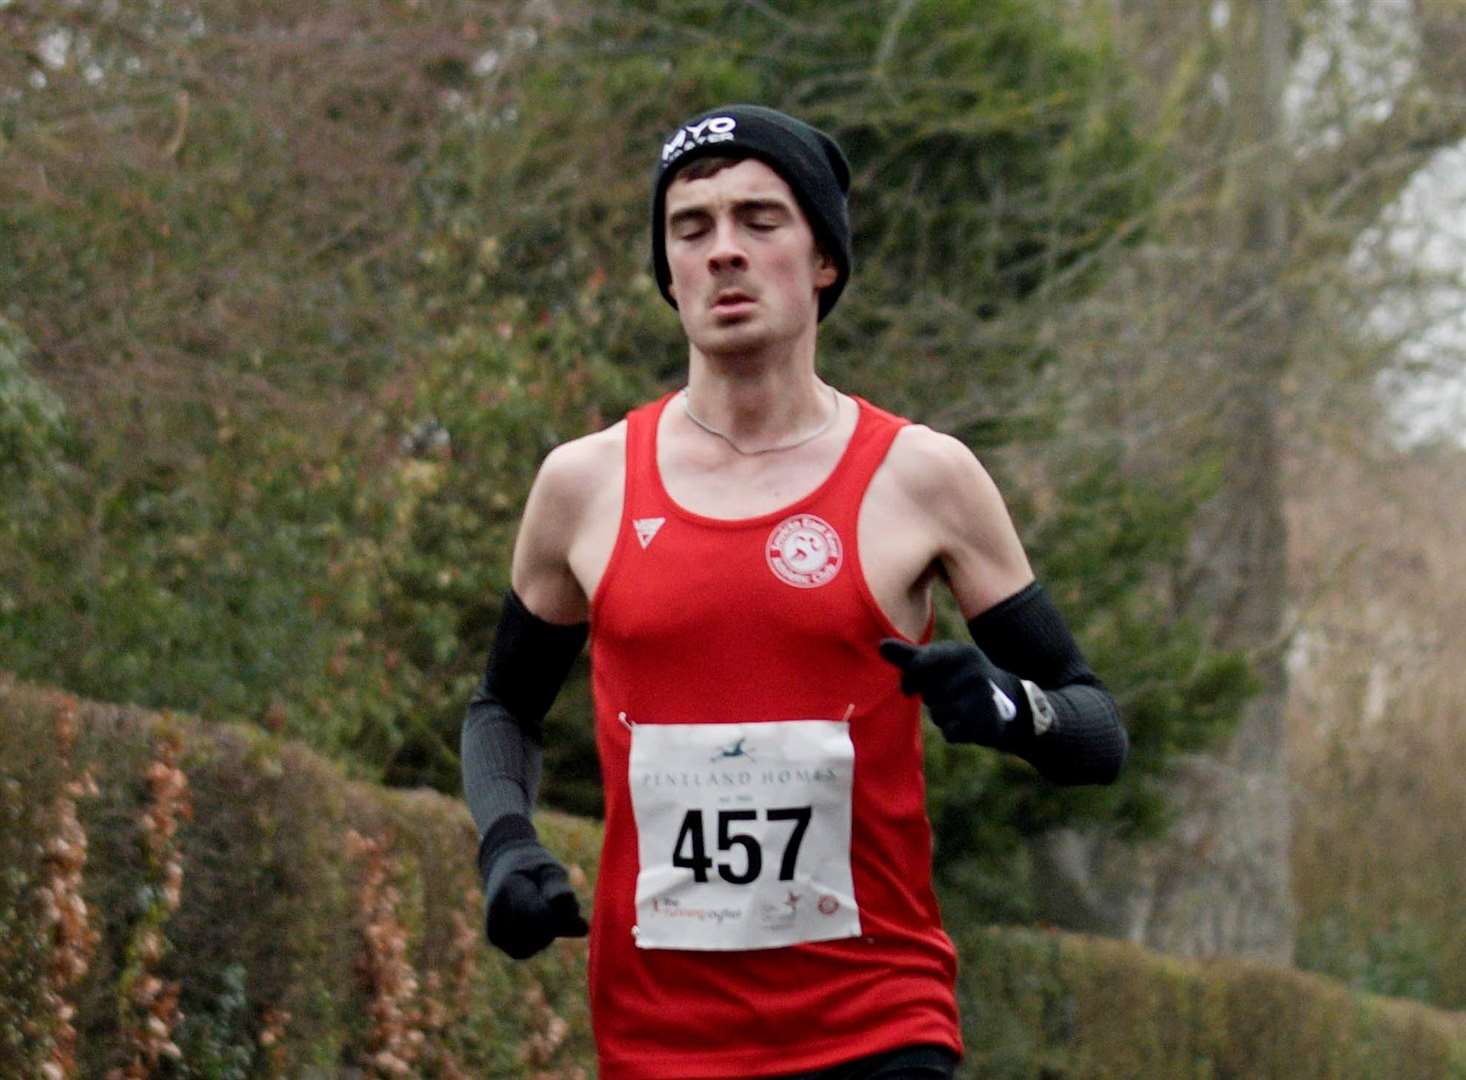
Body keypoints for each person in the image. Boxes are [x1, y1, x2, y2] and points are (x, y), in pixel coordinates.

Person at [461, 104, 1128, 1080]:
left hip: (877, 1025)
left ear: (822, 260)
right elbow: (501, 710)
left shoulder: (920, 477)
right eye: (691, 228)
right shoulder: (584, 486)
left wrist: (1003, 708)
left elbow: (1095, 728)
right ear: (668, 272)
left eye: (758, 220)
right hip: (658, 1039)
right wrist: (506, 849)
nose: (722, 251)